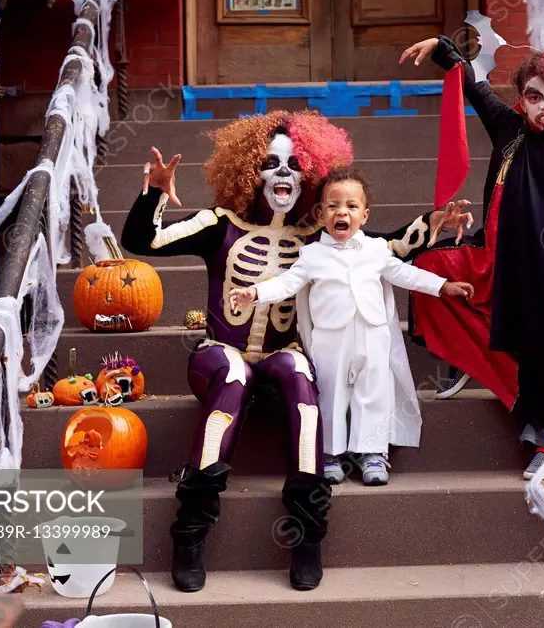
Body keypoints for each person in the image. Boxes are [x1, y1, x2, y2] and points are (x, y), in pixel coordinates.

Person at [120, 111, 472, 592]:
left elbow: (381, 248)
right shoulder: (219, 223)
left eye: (293, 164)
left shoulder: (316, 235)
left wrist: (431, 223)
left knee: (305, 394)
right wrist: (155, 193)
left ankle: (307, 534)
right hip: (222, 349)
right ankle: (191, 531)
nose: (282, 173)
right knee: (231, 377)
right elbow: (144, 240)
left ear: (308, 173)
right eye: (270, 162)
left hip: (283, 350)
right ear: (250, 170)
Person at [399, 37, 544, 480]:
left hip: (541, 277)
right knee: (431, 268)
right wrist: (443, 50)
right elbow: (477, 90)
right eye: (534, 96)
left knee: (542, 355)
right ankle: (466, 360)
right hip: (494, 261)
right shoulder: (510, 129)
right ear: (522, 101)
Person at [230, 170, 475, 486]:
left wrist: (443, 286)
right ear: (321, 214)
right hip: (330, 337)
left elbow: (405, 275)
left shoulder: (376, 250)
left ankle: (372, 451)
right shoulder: (312, 255)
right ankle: (330, 453)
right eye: (333, 206)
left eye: (351, 206)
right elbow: (287, 283)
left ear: (364, 215)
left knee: (372, 392)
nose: (341, 212)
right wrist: (255, 293)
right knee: (330, 393)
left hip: (372, 333)